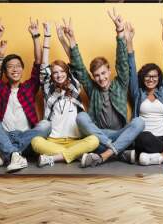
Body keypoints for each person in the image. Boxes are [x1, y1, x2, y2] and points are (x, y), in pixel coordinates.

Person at [62, 10, 145, 168]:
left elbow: (122, 62)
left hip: (120, 133)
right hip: (100, 137)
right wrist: (71, 39)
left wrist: (120, 31)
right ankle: (119, 152)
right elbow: (79, 67)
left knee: (139, 122)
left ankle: (108, 153)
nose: (101, 78)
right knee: (81, 118)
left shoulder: (120, 84)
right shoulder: (92, 89)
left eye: (103, 73)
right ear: (93, 76)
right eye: (97, 75)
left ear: (109, 71)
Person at [0, 19, 51, 172]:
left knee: (46, 124)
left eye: (18, 66)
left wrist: (36, 37)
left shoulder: (29, 87)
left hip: (27, 138)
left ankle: (7, 153)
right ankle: (14, 153)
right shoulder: (0, 88)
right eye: (10, 67)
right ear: (5, 72)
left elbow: (39, 63)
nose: (15, 69)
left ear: (22, 69)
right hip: (4, 137)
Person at [31, 22, 99, 167]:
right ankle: (77, 155)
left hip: (76, 139)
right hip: (54, 140)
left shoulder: (74, 85)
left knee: (94, 140)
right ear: (52, 75)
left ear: (67, 73)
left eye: (62, 71)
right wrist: (47, 36)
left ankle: (54, 158)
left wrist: (63, 39)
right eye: (55, 72)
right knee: (35, 142)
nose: (59, 75)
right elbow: (43, 65)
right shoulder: (48, 88)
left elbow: (76, 63)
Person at [123, 20, 163, 165]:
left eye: (154, 76)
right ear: (142, 78)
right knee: (142, 137)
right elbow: (131, 67)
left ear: (159, 78)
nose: (151, 79)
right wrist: (129, 41)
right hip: (145, 137)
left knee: (145, 152)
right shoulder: (138, 93)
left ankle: (154, 157)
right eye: (147, 76)